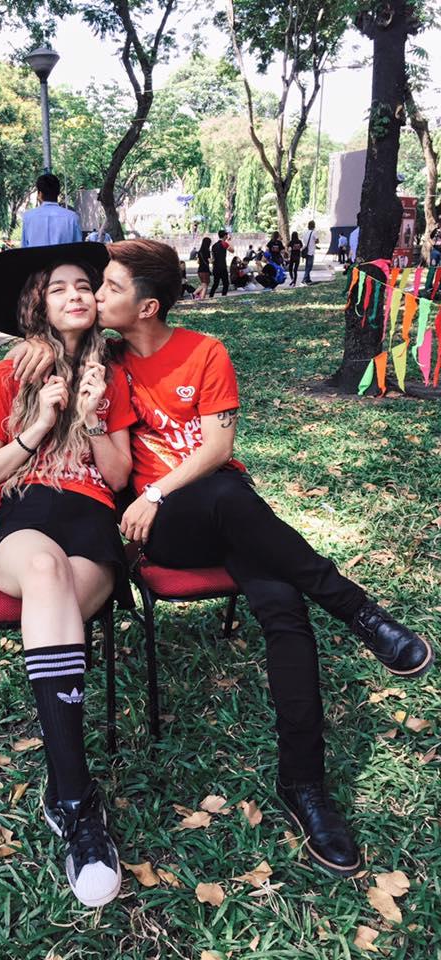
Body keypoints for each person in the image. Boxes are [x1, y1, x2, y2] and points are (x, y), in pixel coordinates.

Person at [91, 238, 434, 880]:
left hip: (225, 509)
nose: (99, 294)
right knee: (229, 497)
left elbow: (218, 449)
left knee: (282, 605)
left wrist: (163, 487)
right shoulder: (104, 364)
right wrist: (152, 491)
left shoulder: (204, 352)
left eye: (111, 286)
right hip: (164, 527)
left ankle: (304, 785)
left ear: (149, 306)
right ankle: (357, 611)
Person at [0, 242, 136, 908]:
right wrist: (38, 424)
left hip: (92, 522)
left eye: (84, 286)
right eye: (58, 286)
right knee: (43, 567)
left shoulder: (113, 376)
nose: (75, 294)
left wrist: (91, 418)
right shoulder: (7, 375)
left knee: (59, 580)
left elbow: (117, 478)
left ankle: (67, 798)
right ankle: (75, 796)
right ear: (38, 302)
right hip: (27, 517)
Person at [22, 174, 82, 248]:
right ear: (58, 192)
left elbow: (24, 248)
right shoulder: (72, 218)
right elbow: (78, 249)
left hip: (36, 256)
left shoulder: (28, 217)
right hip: (64, 256)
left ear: (40, 194)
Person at [209, 230, 233, 297]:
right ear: (225, 236)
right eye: (226, 235)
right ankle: (223, 296)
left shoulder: (214, 245)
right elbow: (232, 250)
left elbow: (213, 257)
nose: (227, 236)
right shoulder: (224, 243)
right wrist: (229, 241)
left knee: (216, 283)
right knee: (226, 283)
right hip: (222, 267)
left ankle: (211, 295)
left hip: (215, 267)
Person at [301, 220, 318, 284]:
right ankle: (304, 279)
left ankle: (308, 279)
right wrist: (315, 242)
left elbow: (304, 241)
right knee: (309, 266)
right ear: (314, 226)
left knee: (307, 265)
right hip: (311, 251)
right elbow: (317, 240)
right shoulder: (314, 232)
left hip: (305, 250)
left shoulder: (305, 232)